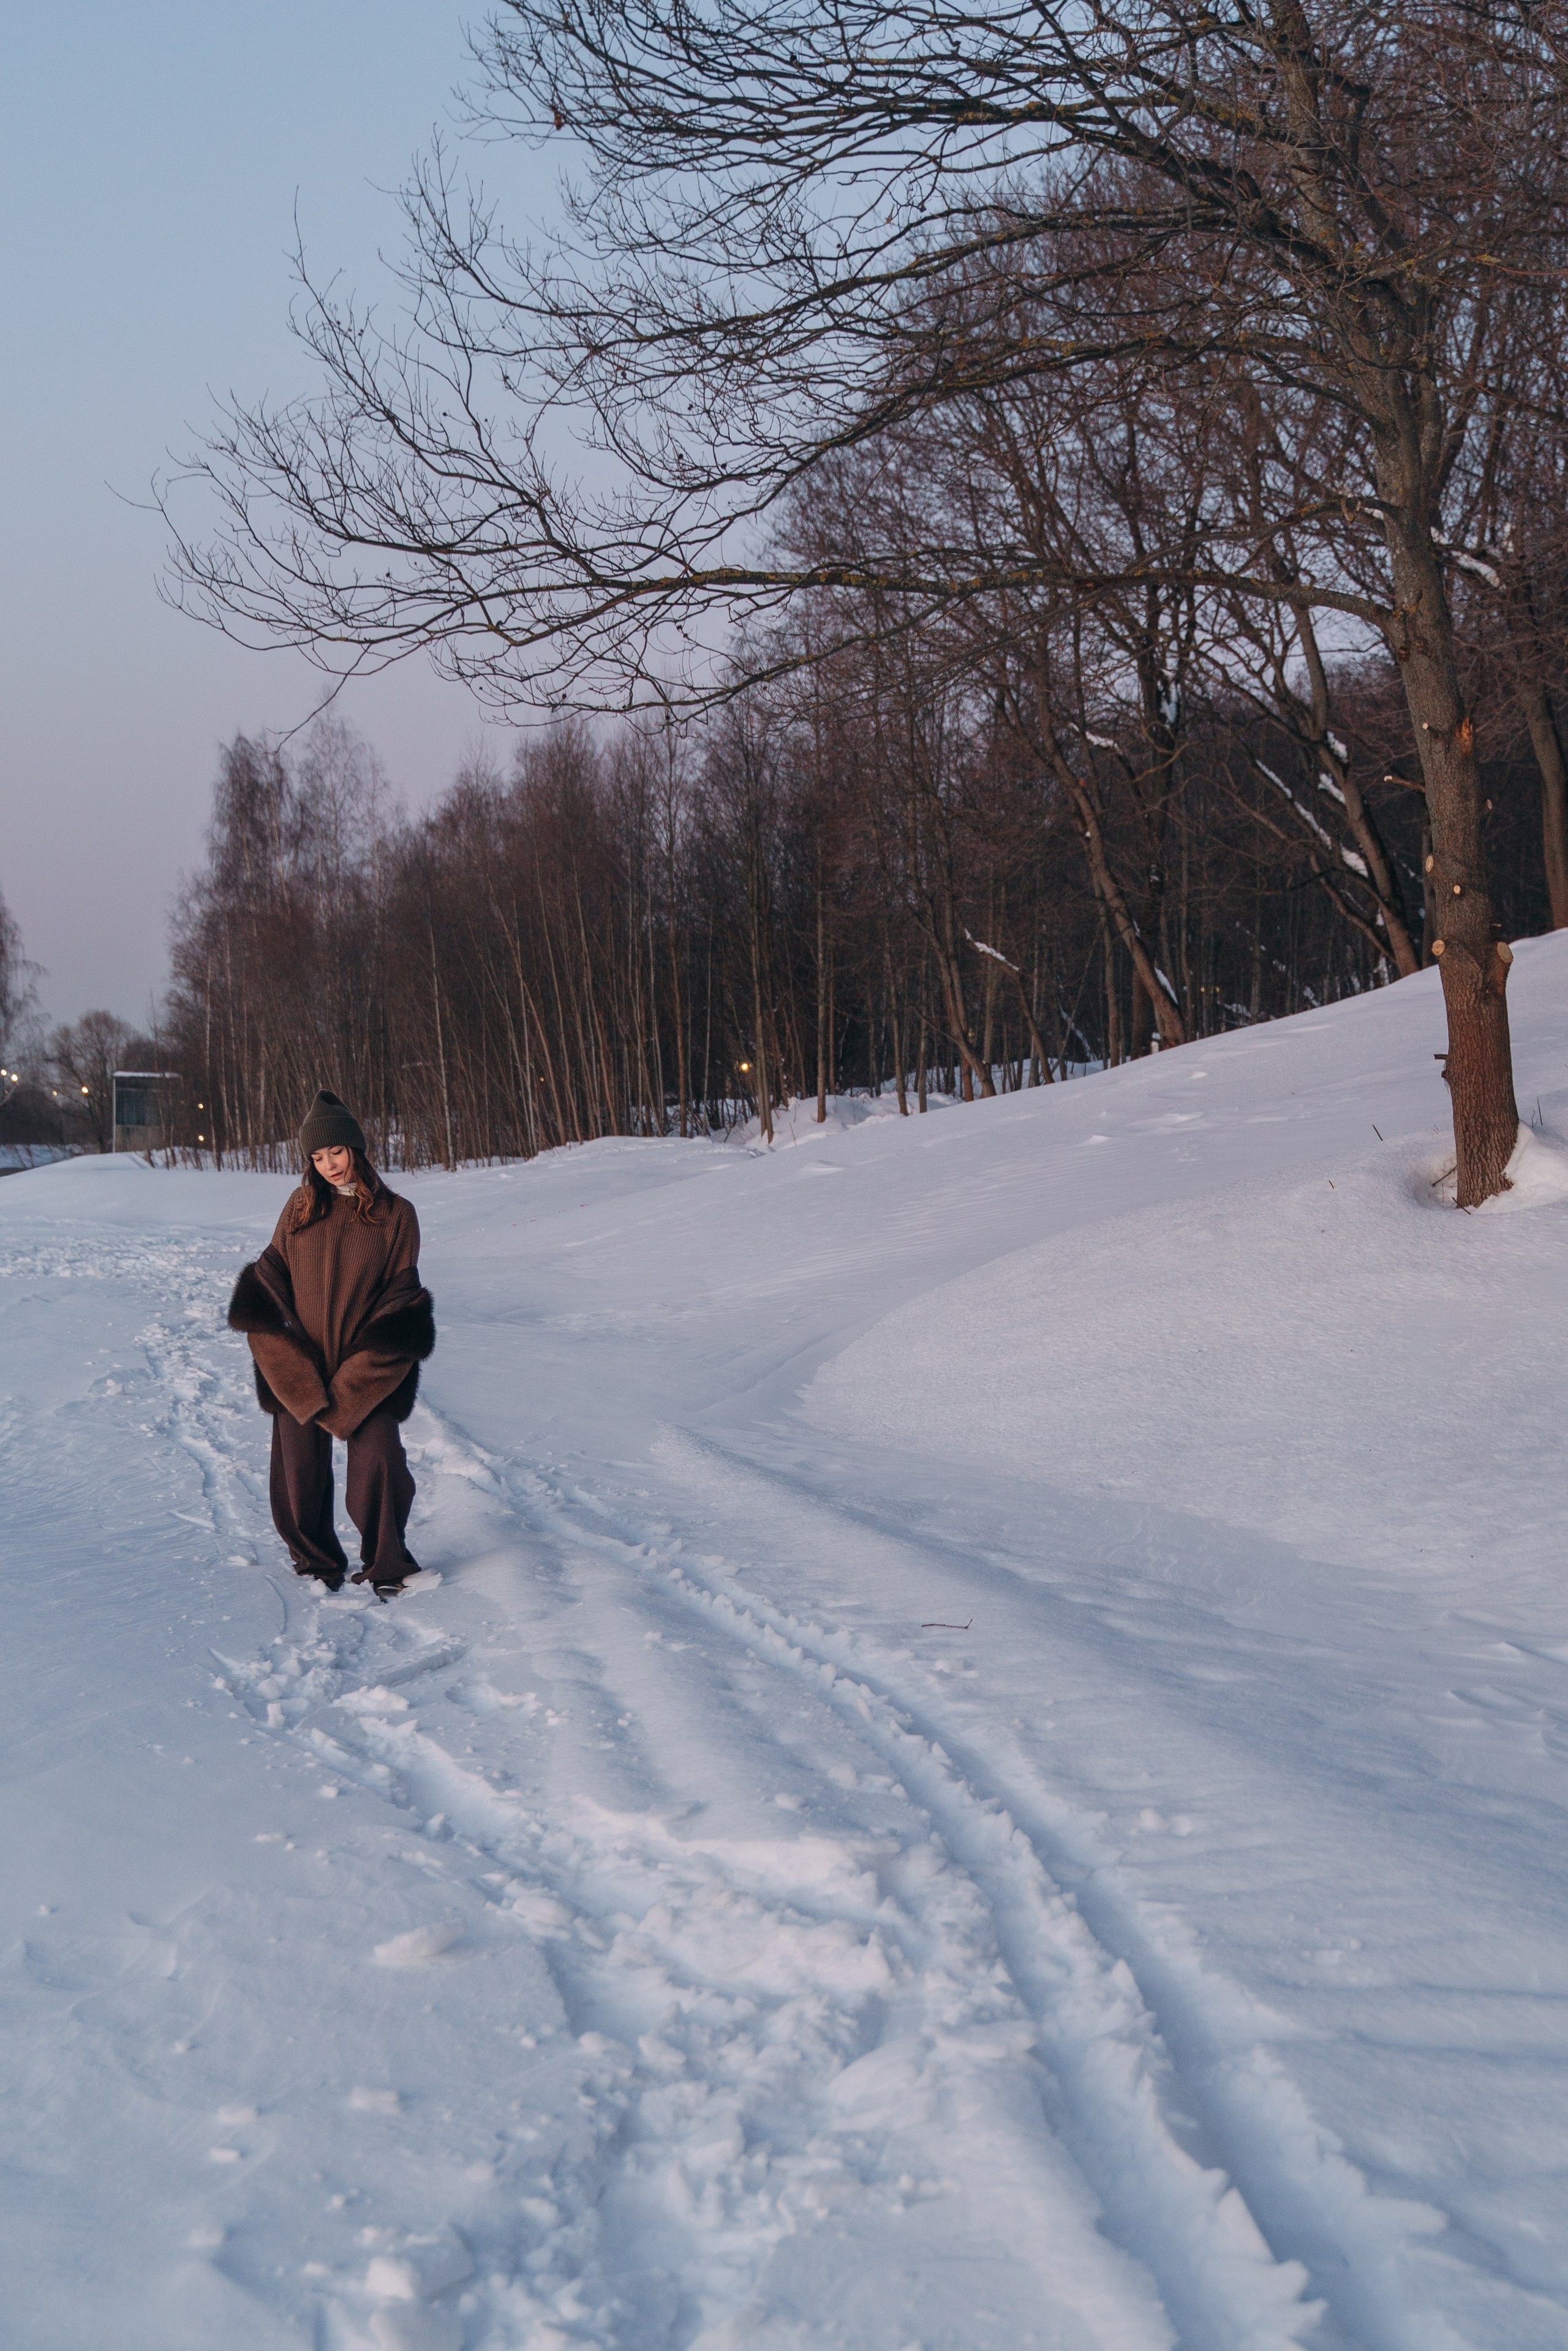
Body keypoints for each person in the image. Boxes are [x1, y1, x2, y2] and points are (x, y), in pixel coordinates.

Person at [227, 1090, 435, 1598]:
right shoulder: (299, 1209)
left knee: (381, 1460)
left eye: (336, 1152)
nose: (329, 1166)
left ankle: (387, 1562)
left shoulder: (397, 1215)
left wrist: (358, 1377)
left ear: (357, 1149)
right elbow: (267, 1285)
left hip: (366, 1366)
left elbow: (400, 1299)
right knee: (298, 1470)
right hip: (302, 1365)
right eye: (317, 1158)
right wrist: (286, 1362)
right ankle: (315, 1560)